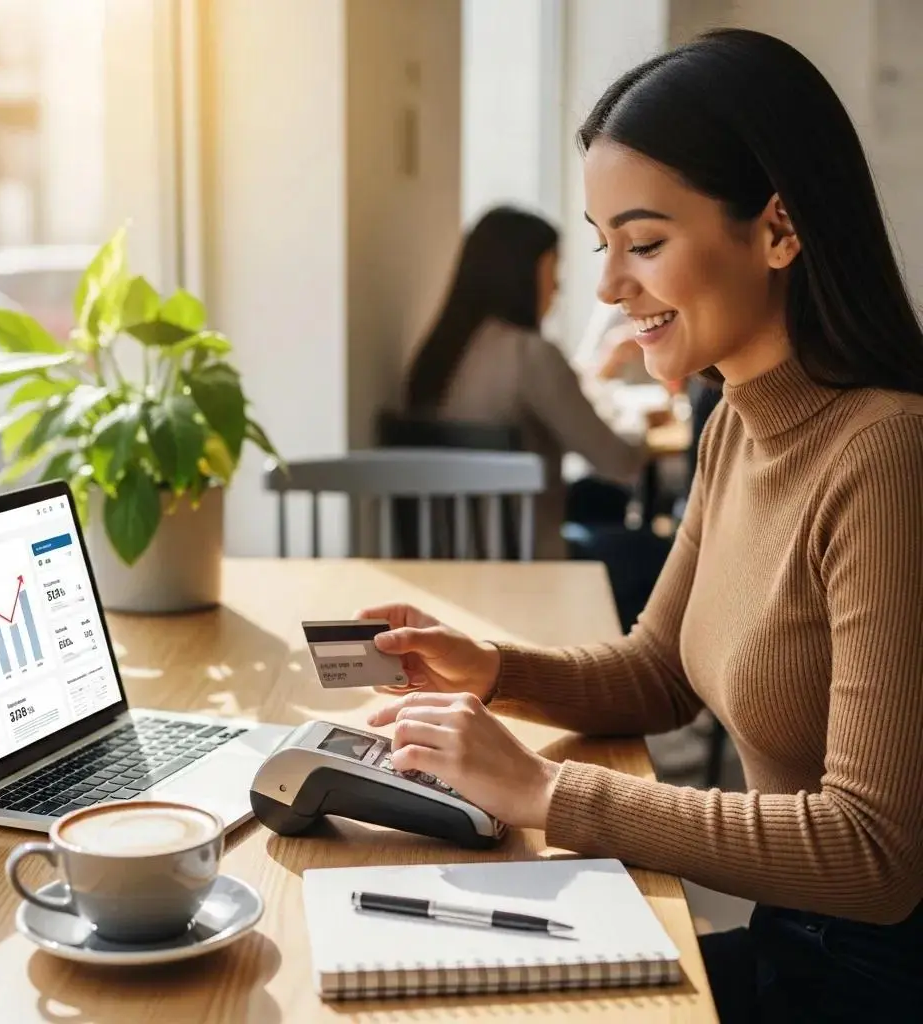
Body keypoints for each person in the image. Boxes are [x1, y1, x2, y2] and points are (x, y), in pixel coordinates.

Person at [359, 28, 923, 1022]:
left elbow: (874, 855)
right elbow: (657, 671)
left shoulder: (886, 457)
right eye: (600, 243)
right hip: (798, 941)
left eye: (645, 241)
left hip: (872, 977)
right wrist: (490, 668)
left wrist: (546, 792)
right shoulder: (732, 427)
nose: (610, 286)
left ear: (779, 230)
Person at [403, 205, 647, 559]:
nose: (559, 287)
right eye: (553, 269)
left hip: (447, 558)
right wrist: (640, 425)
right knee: (652, 552)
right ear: (523, 274)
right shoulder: (530, 355)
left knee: (599, 501)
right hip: (529, 558)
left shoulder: (436, 356)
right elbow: (620, 462)